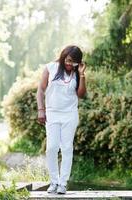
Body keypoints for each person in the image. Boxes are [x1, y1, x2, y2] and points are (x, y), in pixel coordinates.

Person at [36, 45, 87, 194]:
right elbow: (40, 90)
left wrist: (82, 75)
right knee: (51, 147)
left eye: (74, 62)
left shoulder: (77, 72)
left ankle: (63, 183)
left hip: (70, 115)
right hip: (52, 114)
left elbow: (81, 94)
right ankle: (53, 181)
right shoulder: (50, 67)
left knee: (66, 148)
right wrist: (41, 110)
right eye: (69, 60)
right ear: (64, 56)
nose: (70, 64)